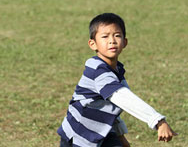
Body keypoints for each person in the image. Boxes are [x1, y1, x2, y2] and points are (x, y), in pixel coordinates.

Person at [57, 13, 177, 147]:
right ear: (93, 44)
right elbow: (122, 98)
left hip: (103, 134)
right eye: (105, 36)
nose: (112, 40)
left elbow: (111, 107)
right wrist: (158, 121)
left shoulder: (116, 70)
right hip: (79, 137)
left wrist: (121, 138)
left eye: (117, 35)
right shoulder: (98, 71)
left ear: (125, 42)